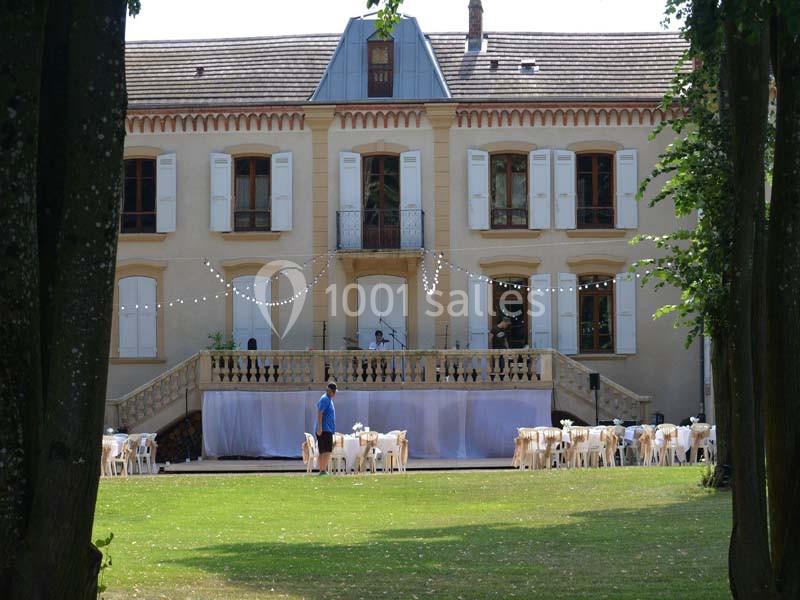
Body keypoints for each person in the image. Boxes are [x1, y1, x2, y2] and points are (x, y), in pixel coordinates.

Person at [316, 382, 337, 475]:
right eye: (334, 391)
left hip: (327, 429)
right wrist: (320, 427)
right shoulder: (325, 399)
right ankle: (323, 470)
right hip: (324, 429)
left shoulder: (328, 399)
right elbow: (320, 413)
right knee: (326, 450)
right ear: (332, 392)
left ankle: (322, 470)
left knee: (324, 450)